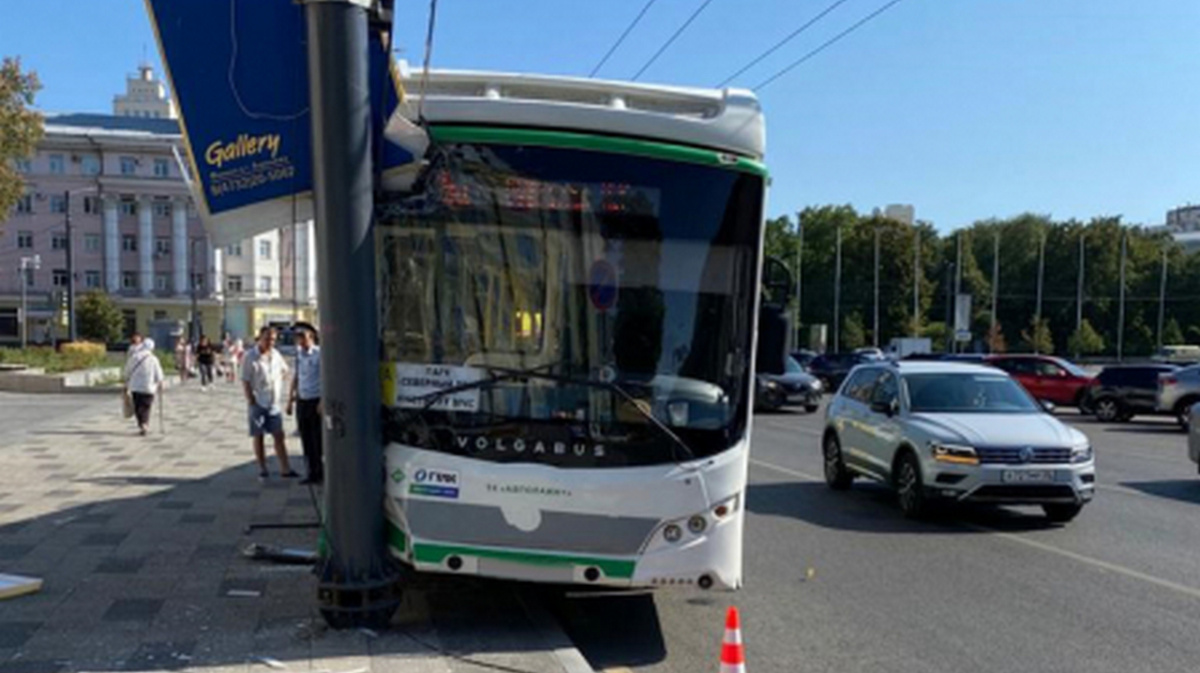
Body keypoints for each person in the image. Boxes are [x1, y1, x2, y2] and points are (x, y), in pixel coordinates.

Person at [242, 326, 298, 482]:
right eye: (267, 338)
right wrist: (250, 399)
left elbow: (285, 370)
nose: (270, 342)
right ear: (260, 337)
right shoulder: (250, 356)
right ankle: (262, 468)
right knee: (258, 435)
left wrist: (279, 382)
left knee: (278, 435)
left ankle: (285, 468)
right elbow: (245, 379)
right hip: (258, 401)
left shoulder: (276, 354)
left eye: (273, 339)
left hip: (273, 401)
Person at [287, 325, 323, 485]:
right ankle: (311, 471)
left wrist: (323, 400)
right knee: (306, 437)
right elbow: (296, 376)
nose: (300, 340)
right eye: (298, 337)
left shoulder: (319, 354)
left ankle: (320, 470)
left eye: (303, 336)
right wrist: (290, 399)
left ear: (311, 337)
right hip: (302, 399)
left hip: (315, 399)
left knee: (317, 438)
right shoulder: (298, 354)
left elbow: (326, 377)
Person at [124, 337, 164, 436]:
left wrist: (126, 381)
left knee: (138, 406)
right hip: (149, 387)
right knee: (146, 406)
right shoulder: (154, 359)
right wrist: (160, 383)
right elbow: (158, 374)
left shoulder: (134, 357)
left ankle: (142, 424)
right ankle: (145, 423)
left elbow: (127, 371)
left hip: (136, 387)